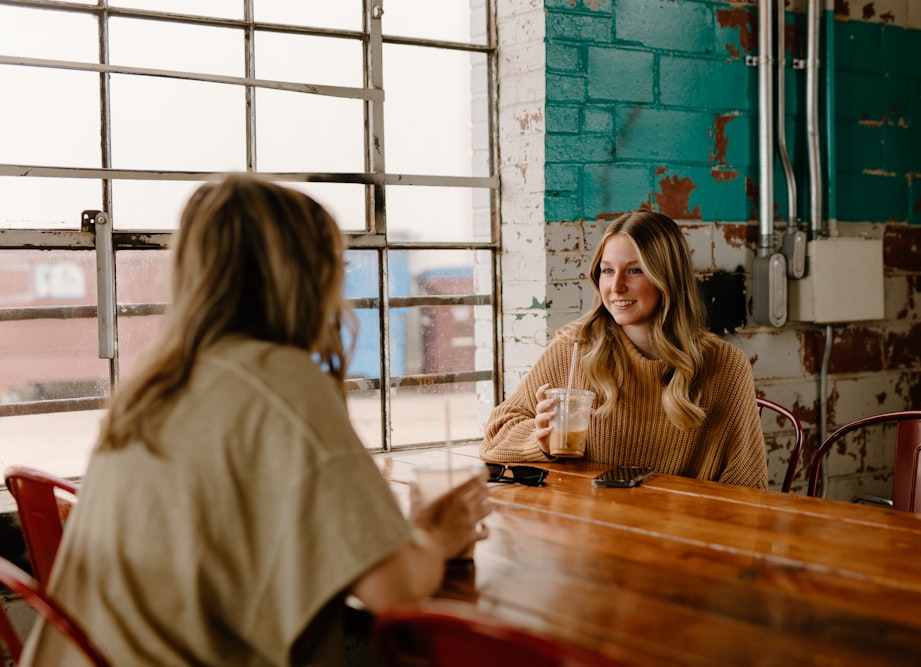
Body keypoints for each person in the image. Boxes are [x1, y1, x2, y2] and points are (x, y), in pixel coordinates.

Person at [21, 175, 491, 666]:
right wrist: (438, 535)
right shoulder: (282, 381)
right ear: (306, 274)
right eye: (338, 264)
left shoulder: (155, 383)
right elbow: (393, 590)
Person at [480, 209, 767, 489]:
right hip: (589, 527)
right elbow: (494, 437)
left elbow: (749, 488)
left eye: (634, 271)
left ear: (667, 278)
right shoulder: (574, 349)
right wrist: (539, 440)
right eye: (607, 271)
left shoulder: (726, 365)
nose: (615, 287)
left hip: (682, 530)